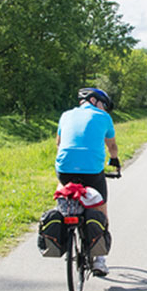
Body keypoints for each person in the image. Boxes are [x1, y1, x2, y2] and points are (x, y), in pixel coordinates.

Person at [56, 87, 120, 276]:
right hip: (92, 171)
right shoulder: (103, 117)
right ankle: (100, 260)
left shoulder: (65, 115)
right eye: (104, 105)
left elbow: (59, 143)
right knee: (100, 209)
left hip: (64, 168)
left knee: (64, 192)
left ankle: (64, 219)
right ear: (95, 101)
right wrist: (114, 160)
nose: (104, 109)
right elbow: (112, 145)